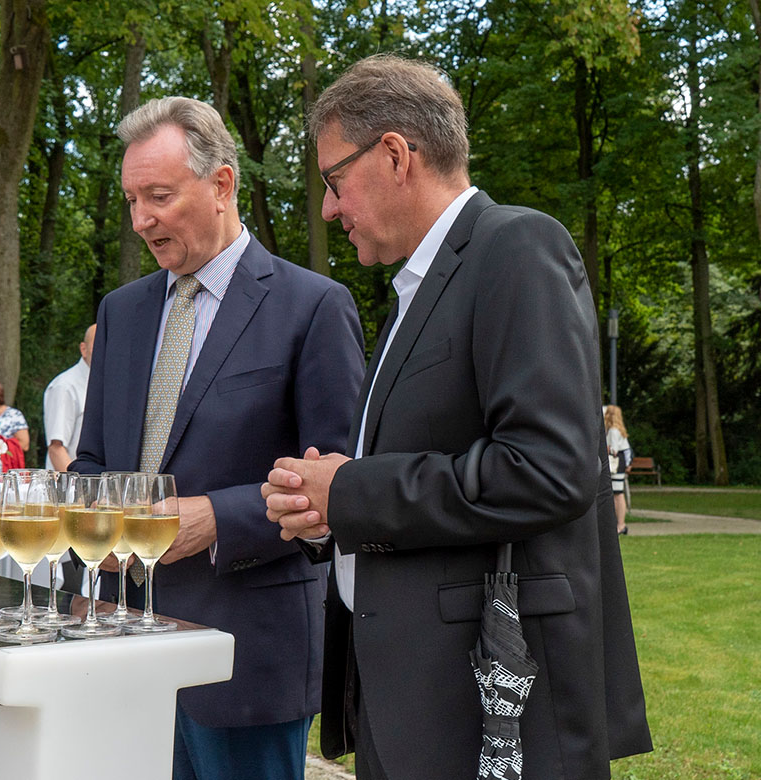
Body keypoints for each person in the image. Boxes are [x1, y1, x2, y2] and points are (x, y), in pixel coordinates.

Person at [262, 54, 652, 779]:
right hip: (414, 701)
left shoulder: (516, 246)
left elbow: (550, 470)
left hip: (493, 707)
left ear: (395, 155)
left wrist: (351, 491)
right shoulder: (415, 290)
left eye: (333, 181)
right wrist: (327, 512)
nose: (329, 210)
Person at [71, 96, 365, 780]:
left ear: (222, 184)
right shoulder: (121, 312)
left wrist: (217, 518)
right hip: (115, 641)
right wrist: (87, 530)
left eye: (159, 196)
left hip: (245, 656)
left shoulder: (313, 306)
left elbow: (340, 483)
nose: (140, 219)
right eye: (132, 200)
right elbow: (91, 459)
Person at [43, 324, 96, 471]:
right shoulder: (65, 387)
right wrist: (78, 484)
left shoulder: (108, 386)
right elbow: (56, 449)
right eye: (98, 344)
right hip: (71, 482)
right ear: (83, 349)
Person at [605, 404, 632, 534]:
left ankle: (620, 524)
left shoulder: (613, 431)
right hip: (620, 462)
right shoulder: (620, 430)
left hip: (615, 463)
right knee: (618, 493)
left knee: (617, 494)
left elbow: (613, 450)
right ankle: (620, 524)